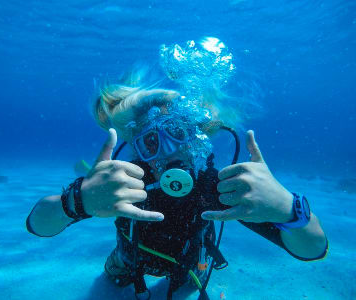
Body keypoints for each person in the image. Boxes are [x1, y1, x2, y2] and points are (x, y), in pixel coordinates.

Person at [26, 71, 328, 300]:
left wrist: (290, 210)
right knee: (110, 278)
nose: (167, 151)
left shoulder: (218, 188)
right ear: (137, 148)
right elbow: (38, 225)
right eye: (151, 142)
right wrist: (77, 200)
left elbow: (313, 249)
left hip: (187, 269)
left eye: (178, 132)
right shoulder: (121, 183)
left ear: (196, 137)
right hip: (126, 260)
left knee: (185, 285)